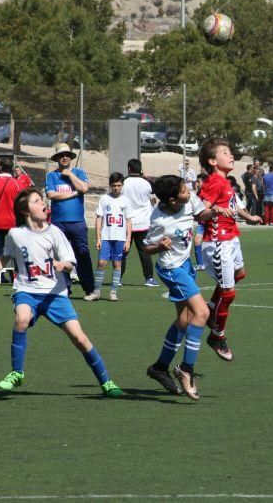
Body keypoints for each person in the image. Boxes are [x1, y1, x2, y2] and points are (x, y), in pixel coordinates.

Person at [0, 189, 123, 397]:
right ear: (26, 210)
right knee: (22, 318)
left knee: (80, 339)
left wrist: (63, 264)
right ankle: (16, 373)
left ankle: (107, 382)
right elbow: (5, 257)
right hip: (26, 290)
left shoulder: (54, 232)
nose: (43, 203)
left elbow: (72, 263)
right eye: (37, 201)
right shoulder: (15, 234)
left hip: (55, 294)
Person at [143, 175, 215, 400]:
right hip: (171, 269)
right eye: (184, 190)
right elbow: (147, 248)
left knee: (184, 320)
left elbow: (201, 214)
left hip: (185, 264)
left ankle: (160, 367)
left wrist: (216, 211)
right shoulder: (159, 219)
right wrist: (159, 247)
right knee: (202, 312)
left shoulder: (188, 198)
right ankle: (186, 368)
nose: (190, 191)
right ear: (173, 199)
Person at [198, 138, 262, 361]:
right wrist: (214, 210)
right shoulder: (214, 182)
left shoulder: (225, 182)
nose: (231, 155)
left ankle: (211, 307)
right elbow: (200, 213)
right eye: (225, 153)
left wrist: (249, 217)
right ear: (213, 161)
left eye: (230, 151)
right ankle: (217, 336)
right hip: (217, 242)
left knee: (239, 274)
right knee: (229, 292)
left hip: (231, 238)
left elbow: (233, 205)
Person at [45, 143, 95, 296]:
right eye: (61, 155)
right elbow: (51, 195)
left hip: (77, 222)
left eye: (67, 155)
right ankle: (64, 288)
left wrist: (70, 175)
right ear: (57, 158)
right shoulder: (52, 175)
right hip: (58, 222)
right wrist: (73, 194)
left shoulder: (79, 173)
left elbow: (84, 188)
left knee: (82, 253)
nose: (64, 157)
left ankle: (89, 289)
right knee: (60, 255)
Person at [84, 173, 131, 302]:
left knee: (117, 264)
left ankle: (113, 292)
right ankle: (96, 292)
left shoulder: (126, 200)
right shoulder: (104, 198)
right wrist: (98, 238)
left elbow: (128, 221)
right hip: (106, 237)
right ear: (110, 185)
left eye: (119, 185)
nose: (116, 188)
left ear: (122, 185)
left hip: (120, 238)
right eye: (114, 185)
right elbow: (99, 218)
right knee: (101, 263)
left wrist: (128, 240)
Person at [121, 159, 158, 287]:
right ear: (140, 169)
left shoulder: (124, 182)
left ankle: (118, 278)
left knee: (123, 251)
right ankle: (149, 278)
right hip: (143, 223)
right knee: (144, 252)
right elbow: (153, 192)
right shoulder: (147, 183)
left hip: (127, 222)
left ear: (129, 169)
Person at [192, 173, 208, 270]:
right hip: (202, 222)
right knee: (197, 240)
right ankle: (200, 264)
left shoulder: (208, 193)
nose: (196, 184)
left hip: (210, 223)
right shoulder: (199, 193)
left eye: (198, 182)